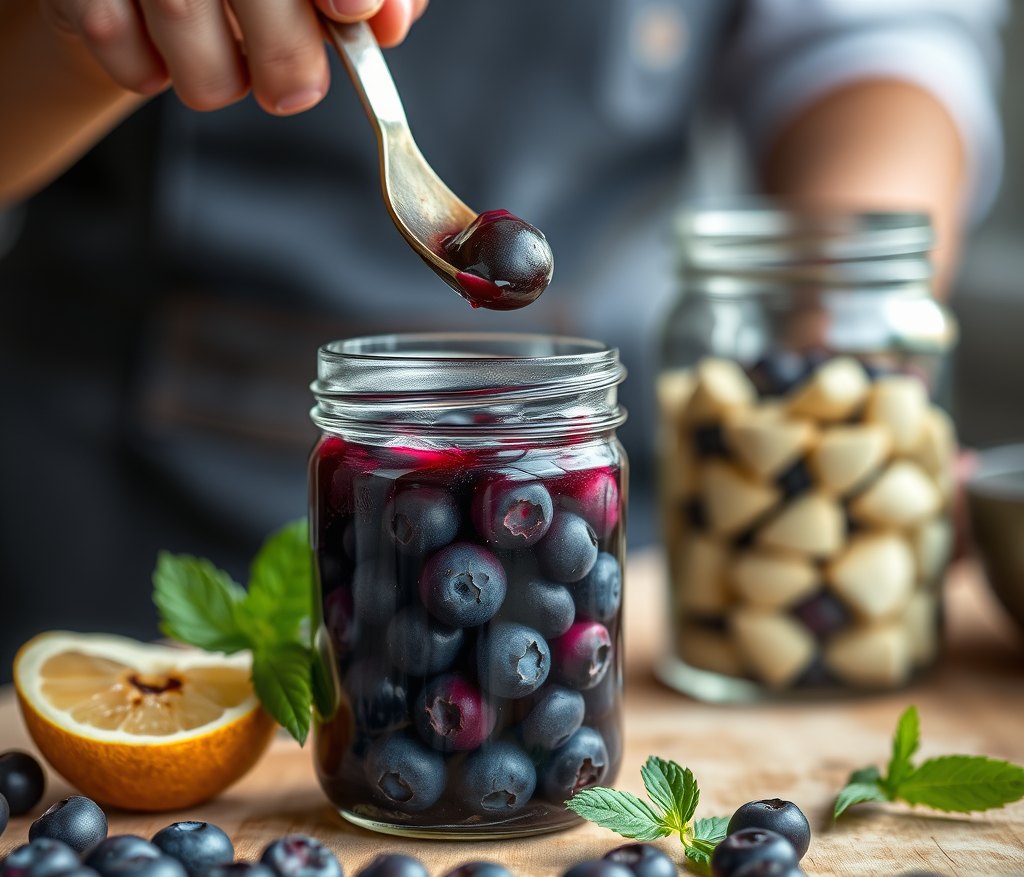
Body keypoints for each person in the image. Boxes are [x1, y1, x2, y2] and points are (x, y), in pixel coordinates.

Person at [0, 0, 1006, 669]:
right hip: (105, 517)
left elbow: (875, 37)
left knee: (519, 680)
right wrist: (70, 37)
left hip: (599, 525)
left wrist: (831, 352)